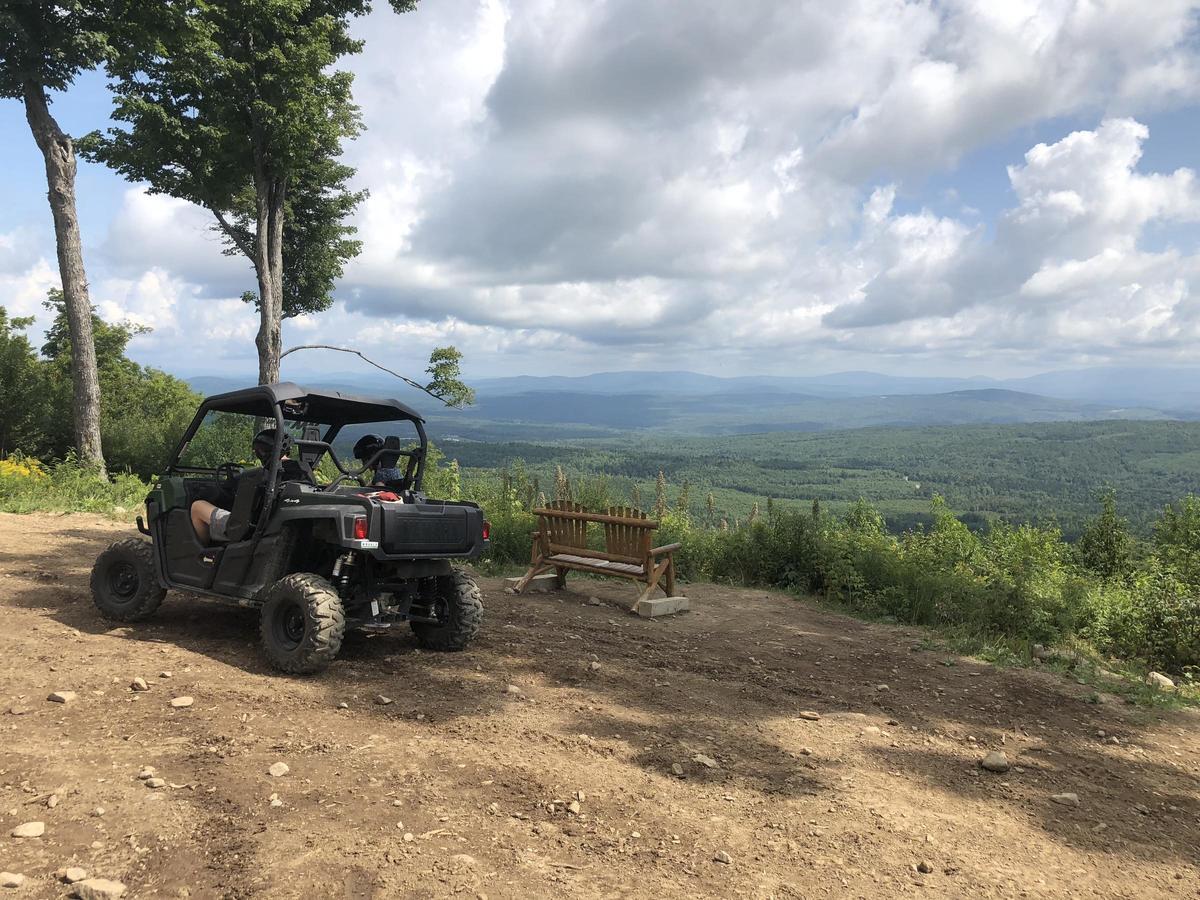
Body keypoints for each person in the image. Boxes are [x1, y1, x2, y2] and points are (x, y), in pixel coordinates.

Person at [189, 428, 309, 544]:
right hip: (277, 526)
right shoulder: (304, 471)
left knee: (197, 507)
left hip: (249, 528)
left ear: (264, 452)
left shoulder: (265, 475)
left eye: (259, 452)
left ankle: (200, 558)